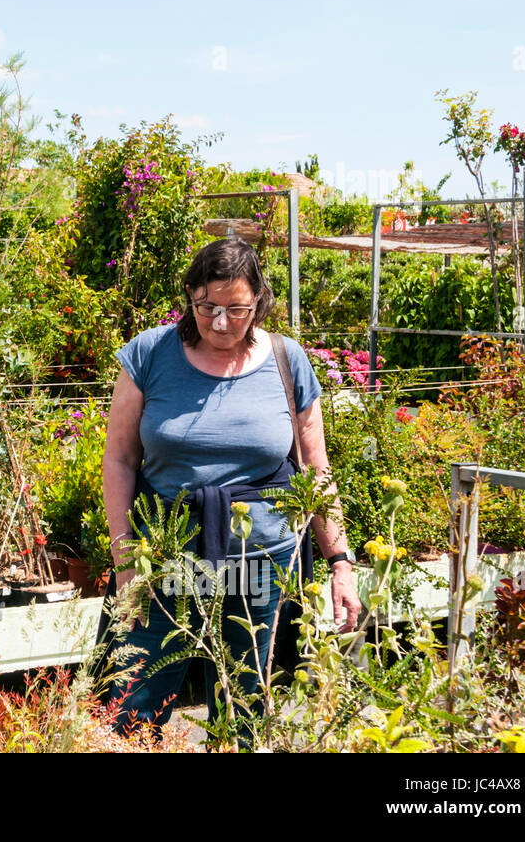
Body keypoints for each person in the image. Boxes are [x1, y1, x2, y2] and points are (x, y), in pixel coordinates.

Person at [99, 238, 360, 737]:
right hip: (164, 555)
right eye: (207, 307)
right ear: (190, 297)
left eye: (237, 309)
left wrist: (340, 563)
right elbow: (120, 458)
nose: (221, 322)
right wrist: (125, 558)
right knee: (136, 699)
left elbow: (315, 467)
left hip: (261, 560)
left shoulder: (288, 360)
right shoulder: (150, 355)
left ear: (259, 300)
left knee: (243, 698)